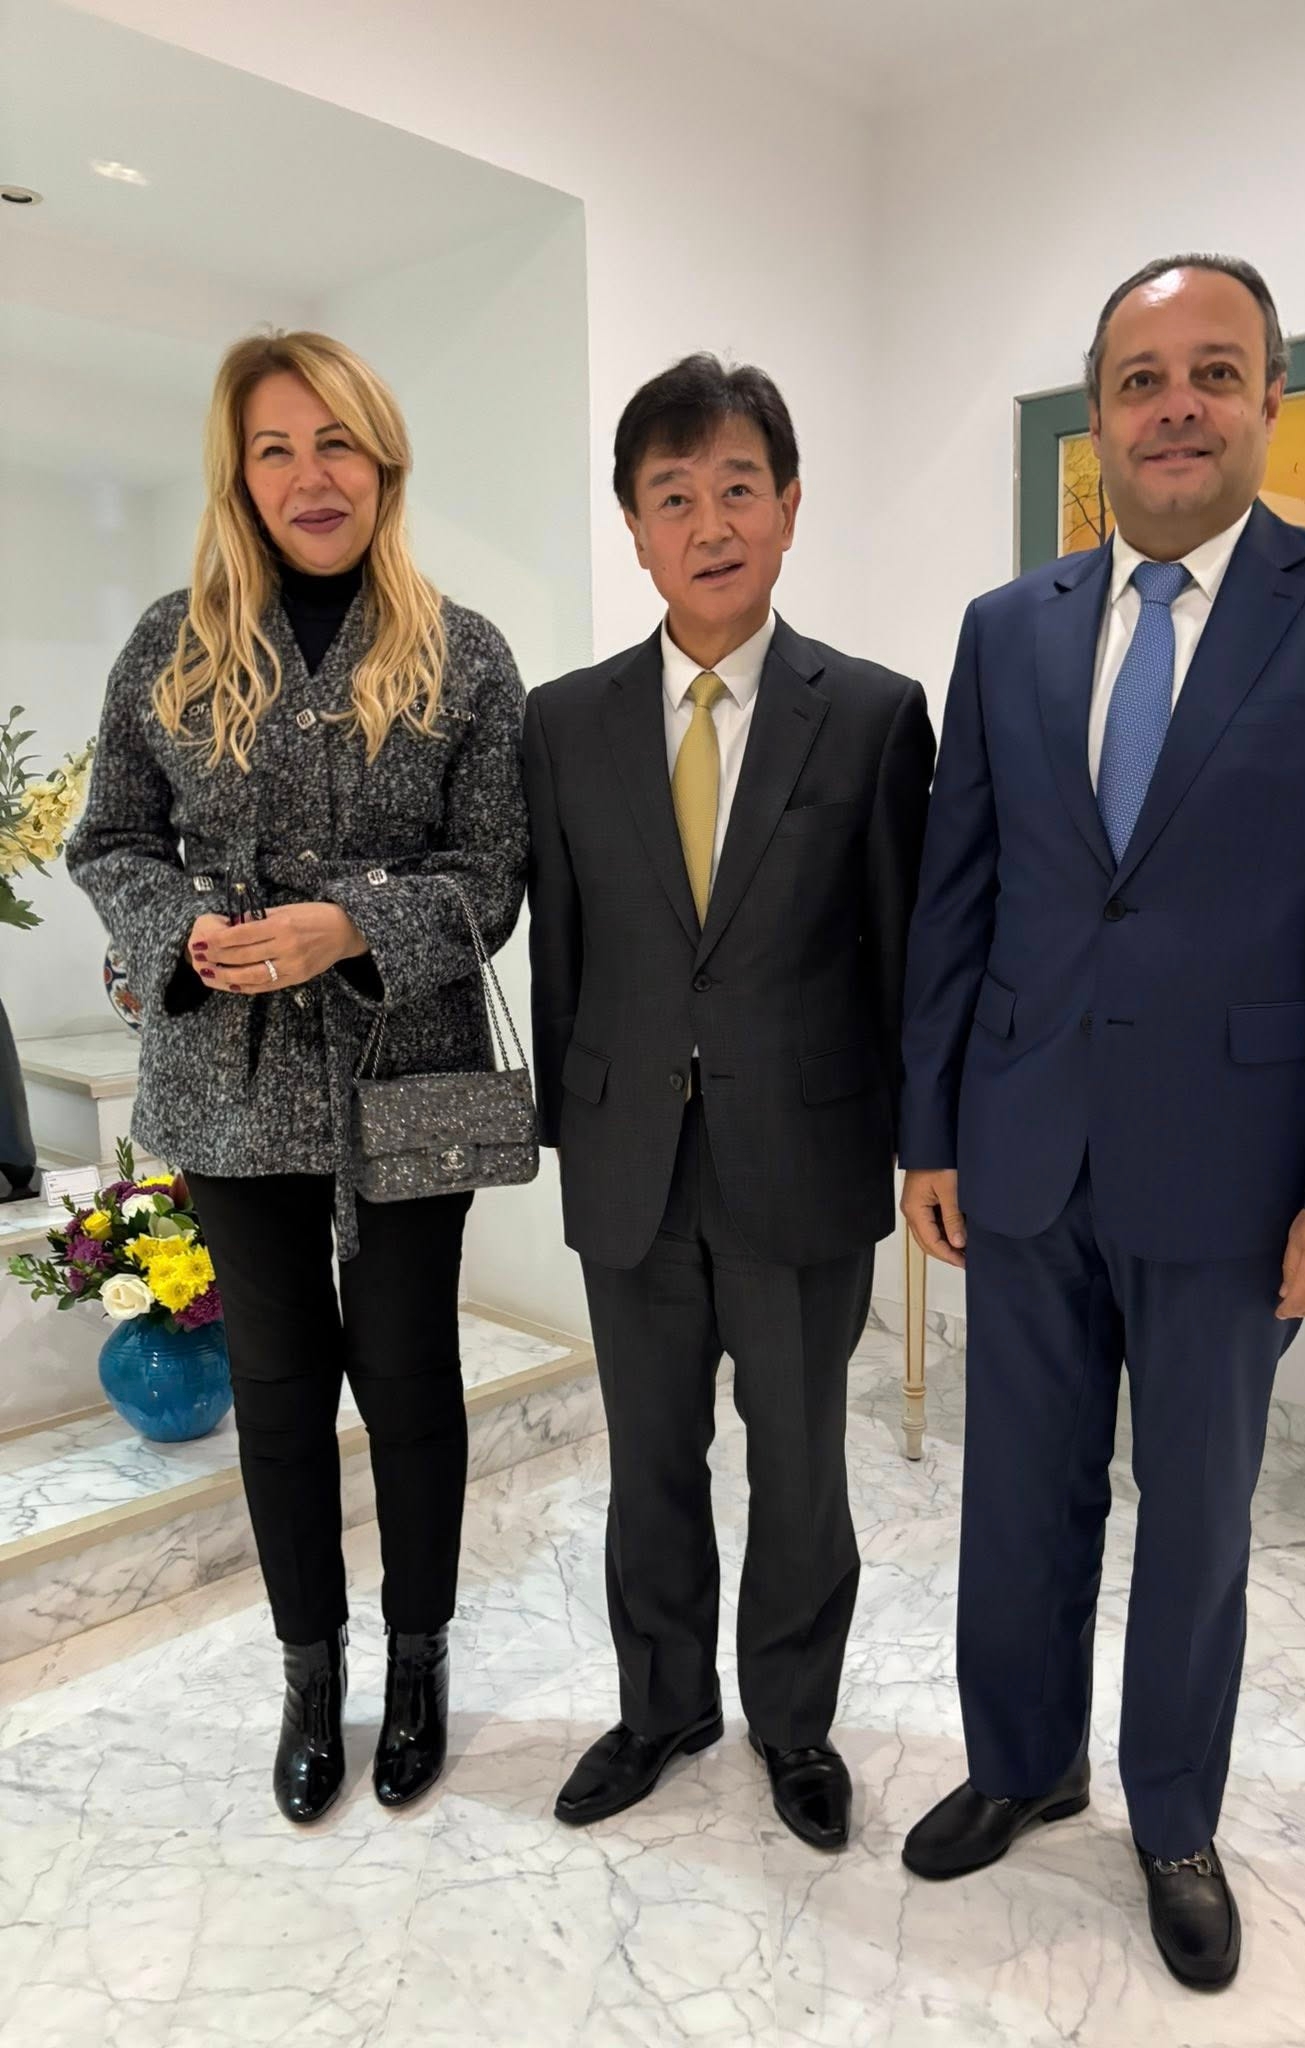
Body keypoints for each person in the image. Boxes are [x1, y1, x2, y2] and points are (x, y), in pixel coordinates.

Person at [898, 256, 1305, 1988]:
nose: (1176, 406)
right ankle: (1021, 1764)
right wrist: (930, 1130)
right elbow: (959, 894)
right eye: (1141, 380)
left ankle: (1172, 1819)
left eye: (1214, 372)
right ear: (1098, 417)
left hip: (1238, 1171)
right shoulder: (1009, 626)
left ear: (1271, 399)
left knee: (1201, 1516)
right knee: (1019, 1494)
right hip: (1024, 1145)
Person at [69, 331, 527, 1824]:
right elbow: (110, 840)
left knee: (410, 1376)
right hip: (228, 1074)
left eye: (336, 443)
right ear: (239, 474)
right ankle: (310, 1674)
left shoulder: (464, 653)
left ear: (383, 462)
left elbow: (495, 873)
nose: (309, 476)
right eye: (275, 448)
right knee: (276, 1387)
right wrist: (179, 933)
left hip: (410, 1072)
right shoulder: (173, 643)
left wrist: (356, 923)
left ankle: (420, 1659)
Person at [524, 354, 934, 1849]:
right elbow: (563, 947)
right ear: (635, 529)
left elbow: (906, 955)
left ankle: (795, 1722)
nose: (711, 524)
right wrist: (573, 1128)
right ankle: (661, 1706)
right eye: (673, 496)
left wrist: (922, 1146)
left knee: (802, 1463)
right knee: (648, 1461)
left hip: (804, 1158)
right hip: (632, 1160)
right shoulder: (564, 724)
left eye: (739, 489)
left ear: (790, 506)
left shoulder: (873, 715)